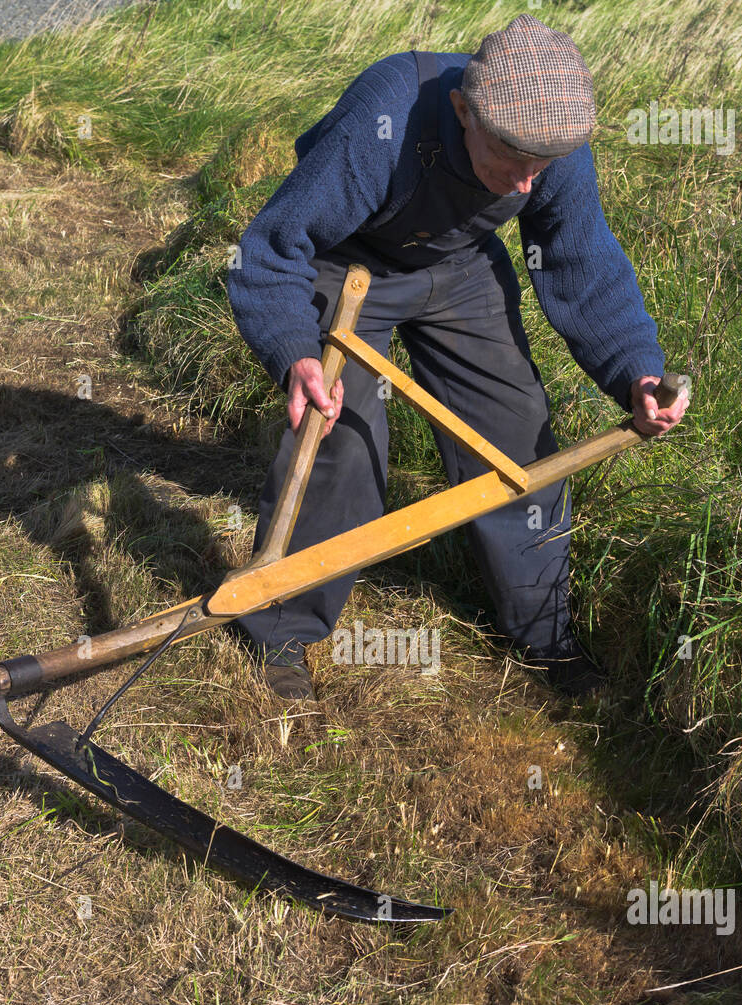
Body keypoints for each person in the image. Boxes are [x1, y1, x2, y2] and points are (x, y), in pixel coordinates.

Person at [226, 12, 687, 703]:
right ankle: (283, 627)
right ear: (461, 110)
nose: (527, 185)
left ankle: (545, 634)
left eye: (542, 167)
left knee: (518, 437)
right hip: (342, 262)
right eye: (512, 162)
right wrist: (295, 352)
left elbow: (581, 264)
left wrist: (636, 374)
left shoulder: (547, 145)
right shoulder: (383, 117)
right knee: (342, 435)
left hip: (460, 270)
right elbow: (272, 249)